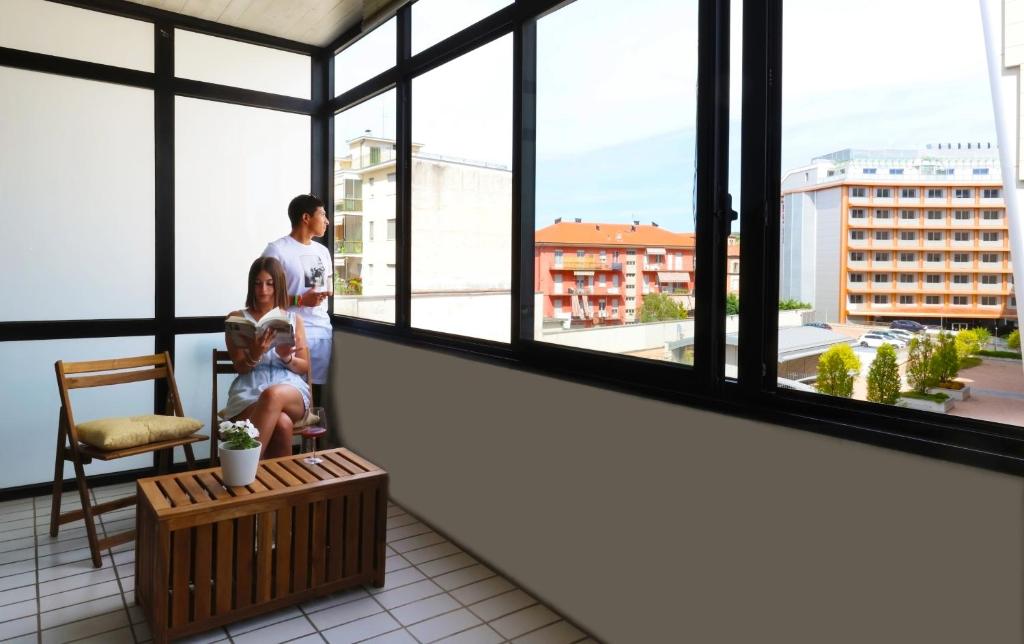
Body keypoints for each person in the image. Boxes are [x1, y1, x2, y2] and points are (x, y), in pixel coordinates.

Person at [222, 257, 311, 458]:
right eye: (258, 283)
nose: (263, 290)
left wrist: (287, 358)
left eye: (270, 284)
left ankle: (240, 467)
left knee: (272, 395)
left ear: (278, 285)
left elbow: (304, 366)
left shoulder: (294, 319)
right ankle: (278, 479)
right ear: (251, 285)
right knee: (282, 423)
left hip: (290, 390)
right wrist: (255, 353)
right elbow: (240, 367)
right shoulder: (237, 318)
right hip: (249, 391)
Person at [263, 194, 333, 401]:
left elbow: (324, 285)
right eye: (322, 214)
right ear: (306, 217)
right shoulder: (277, 250)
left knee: (315, 394)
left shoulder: (322, 251)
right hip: (288, 334)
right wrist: (300, 300)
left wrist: (325, 293)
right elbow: (263, 297)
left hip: (321, 331)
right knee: (286, 391)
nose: (327, 221)